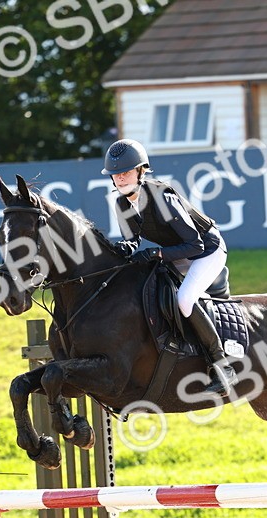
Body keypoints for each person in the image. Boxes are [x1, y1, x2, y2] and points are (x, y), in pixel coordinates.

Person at [101, 138, 236, 397]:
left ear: (140, 171)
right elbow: (132, 239)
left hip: (207, 250)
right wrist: (123, 249)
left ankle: (222, 366)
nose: (120, 178)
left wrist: (158, 253)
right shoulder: (121, 204)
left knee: (184, 299)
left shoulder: (163, 198)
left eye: (126, 172)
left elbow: (195, 244)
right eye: (116, 174)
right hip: (178, 251)